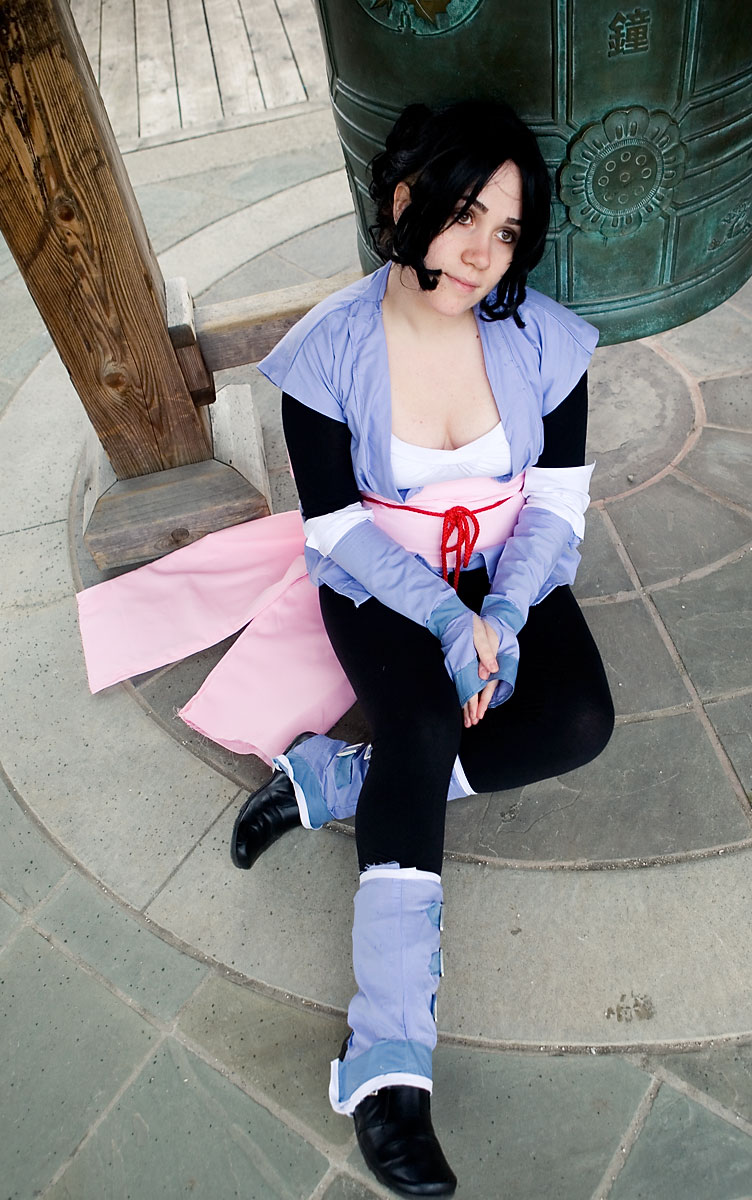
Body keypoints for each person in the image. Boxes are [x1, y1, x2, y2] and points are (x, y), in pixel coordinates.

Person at [230, 99, 614, 1198]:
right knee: (422, 719)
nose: (484, 253)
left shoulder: (546, 339)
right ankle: (389, 1064)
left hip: (503, 568)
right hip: (381, 577)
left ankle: (337, 779)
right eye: (463, 216)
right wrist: (446, 621)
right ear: (404, 201)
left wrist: (502, 613)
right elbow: (333, 528)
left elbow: (557, 503)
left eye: (507, 230)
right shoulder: (327, 351)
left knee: (579, 720)